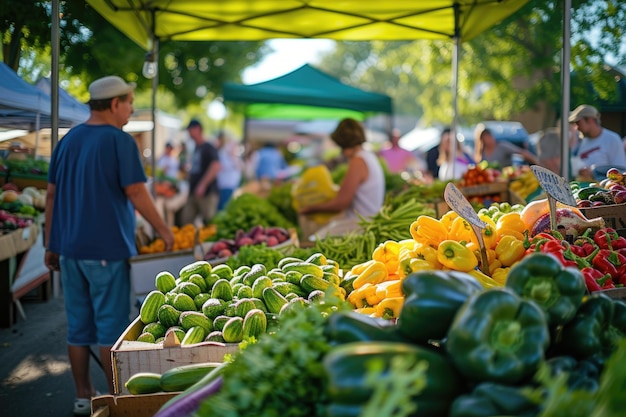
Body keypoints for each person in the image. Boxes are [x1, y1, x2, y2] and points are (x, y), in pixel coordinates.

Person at [43, 75, 174, 415]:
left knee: (78, 327)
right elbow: (136, 192)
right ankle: (117, 400)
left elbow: (52, 195)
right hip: (106, 251)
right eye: (129, 102)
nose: (131, 109)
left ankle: (83, 395)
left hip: (69, 251)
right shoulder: (120, 141)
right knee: (110, 329)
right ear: (115, 103)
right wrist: (164, 230)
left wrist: (50, 244)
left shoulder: (68, 140)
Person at [299, 118, 385, 219]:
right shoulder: (369, 156)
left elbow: (341, 203)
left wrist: (311, 208)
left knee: (316, 235)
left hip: (359, 224)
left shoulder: (358, 161)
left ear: (344, 143)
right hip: (368, 219)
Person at [568, 104, 626, 179]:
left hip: (604, 189)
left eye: (578, 123)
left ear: (590, 120)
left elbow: (620, 170)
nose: (577, 128)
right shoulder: (581, 140)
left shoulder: (612, 139)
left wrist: (594, 172)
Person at [181, 119, 221, 226]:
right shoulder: (196, 148)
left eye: (190, 129)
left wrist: (203, 185)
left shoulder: (209, 147)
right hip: (193, 191)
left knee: (209, 222)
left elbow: (216, 166)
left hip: (207, 192)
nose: (189, 133)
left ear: (198, 129)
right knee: (186, 220)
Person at [474, 124, 538, 168]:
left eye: (490, 137)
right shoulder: (482, 151)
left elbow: (522, 153)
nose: (490, 140)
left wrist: (537, 163)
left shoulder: (502, 146)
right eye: (486, 138)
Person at [215, 130, 243, 210]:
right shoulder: (222, 154)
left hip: (231, 186)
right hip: (225, 186)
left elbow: (240, 167)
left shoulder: (232, 156)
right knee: (223, 208)